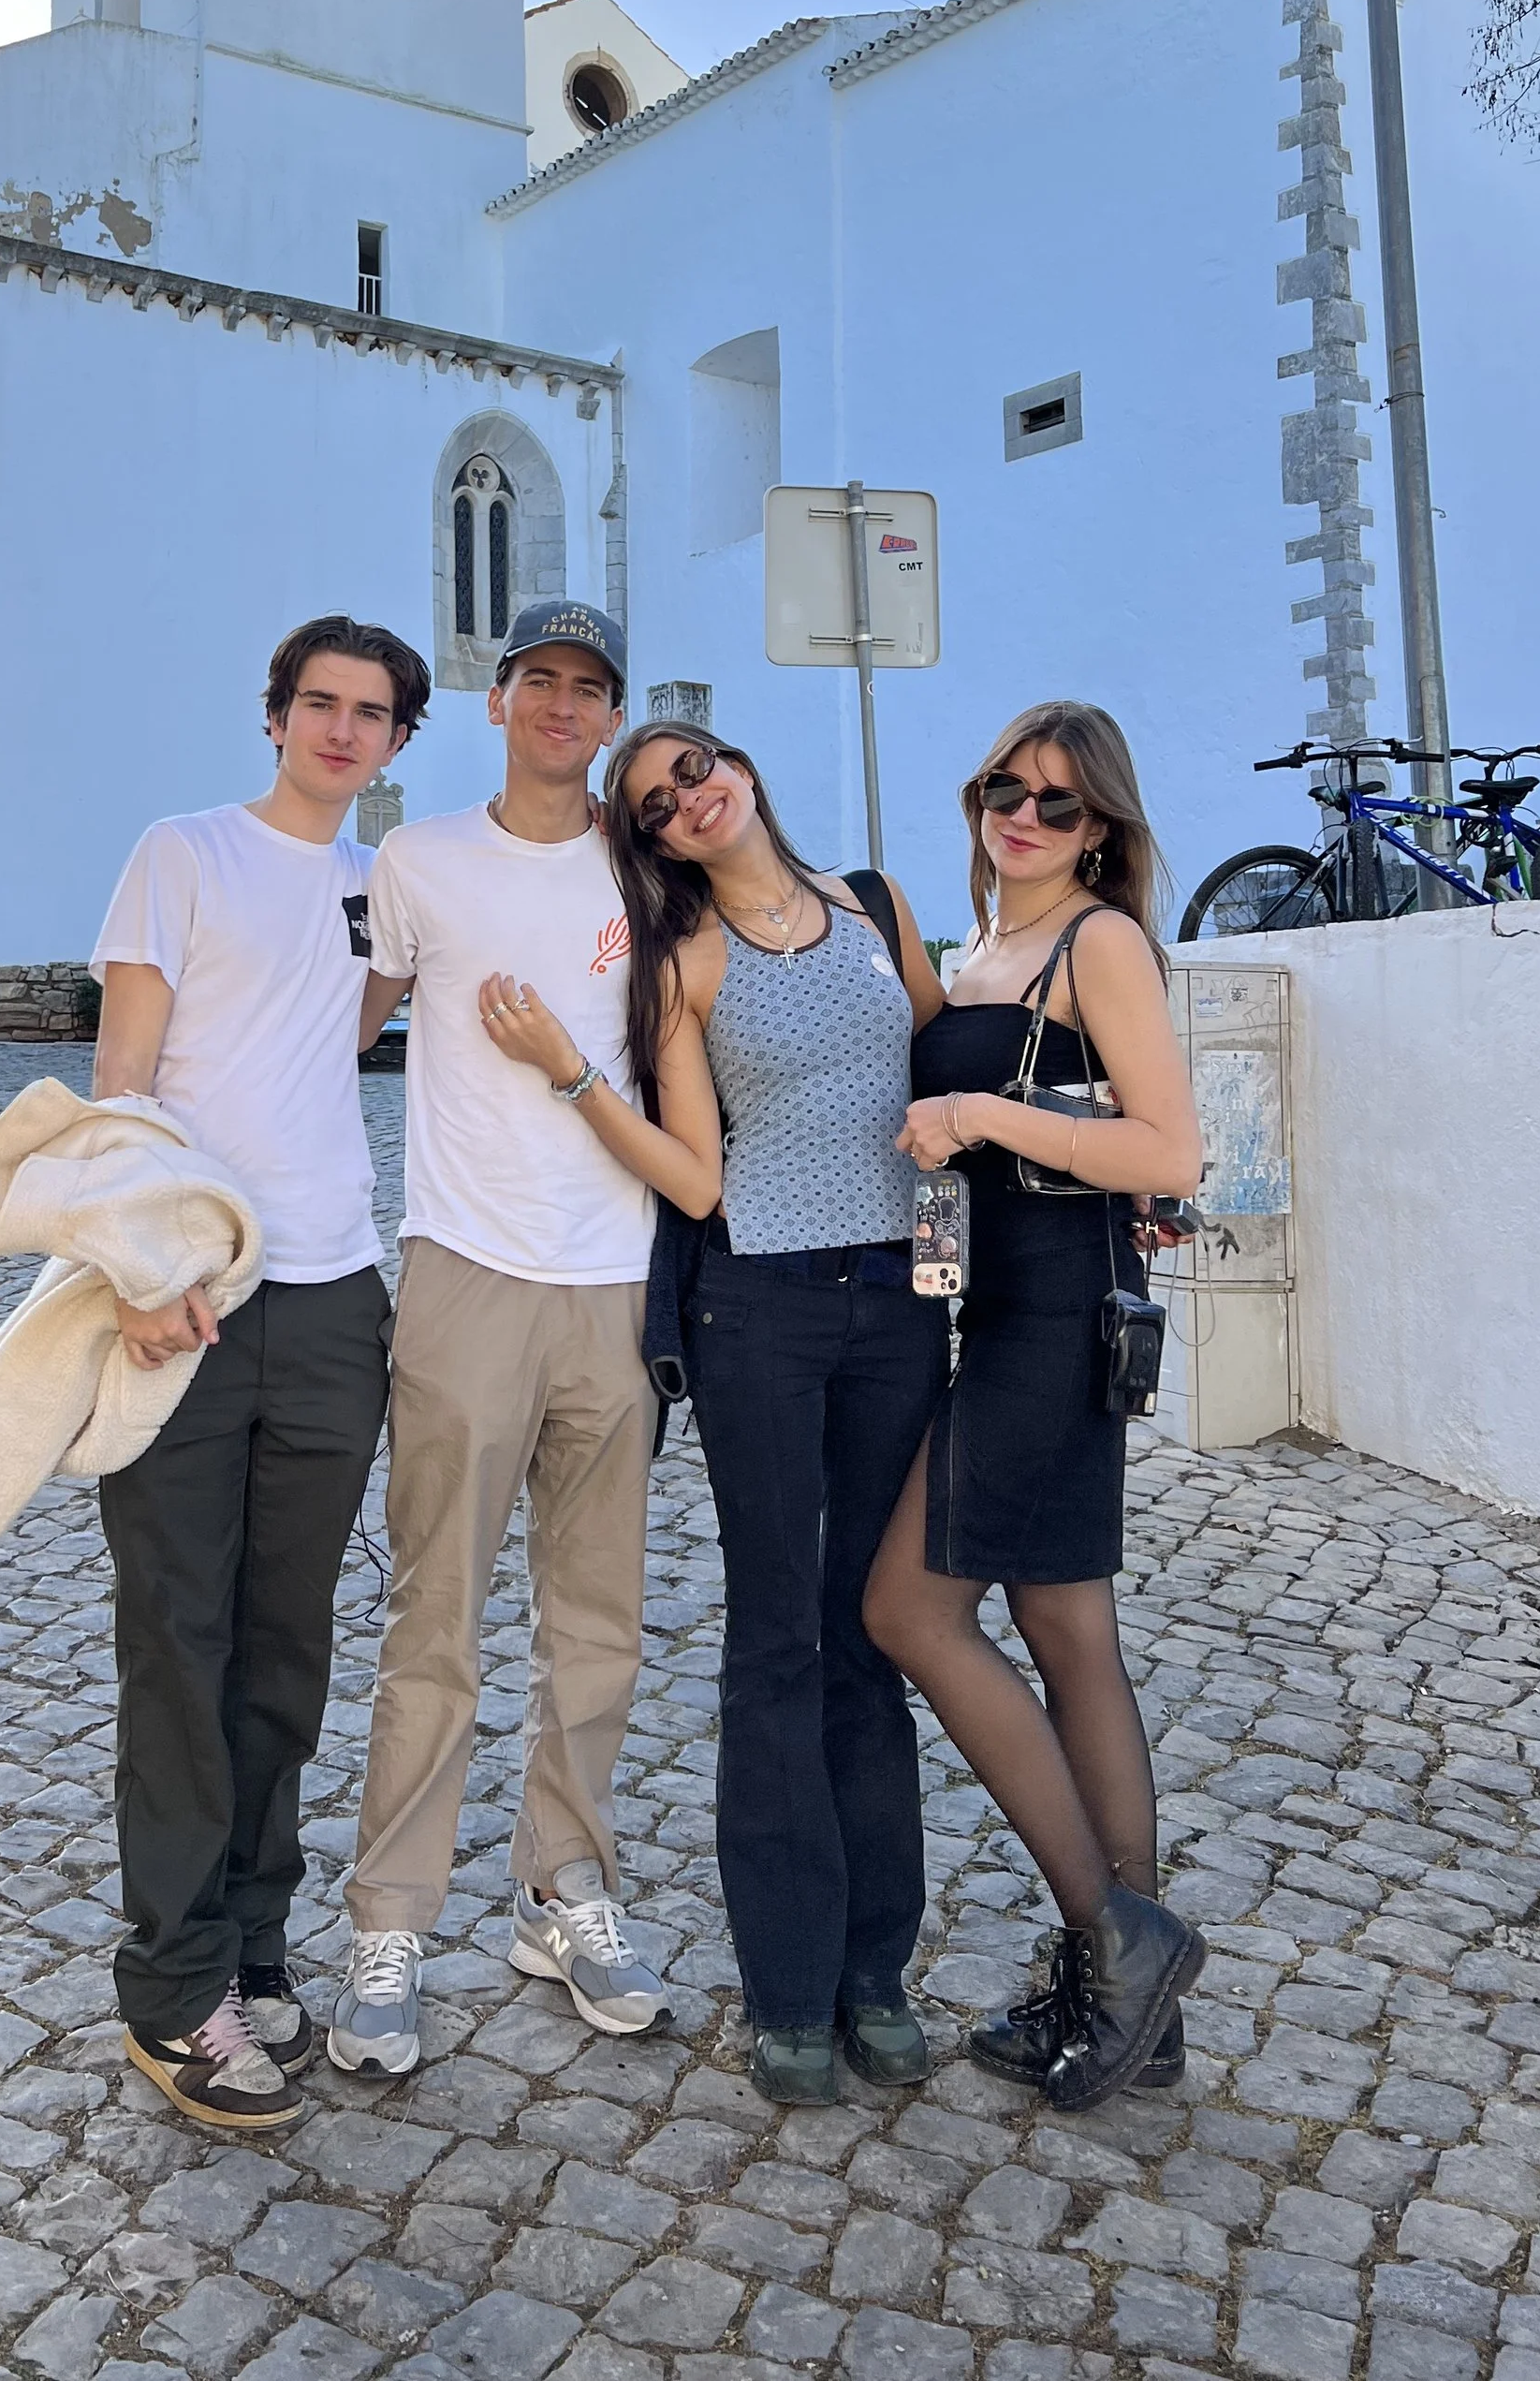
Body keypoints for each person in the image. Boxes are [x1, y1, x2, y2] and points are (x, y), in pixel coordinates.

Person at [490, 718, 954, 2102]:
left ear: (741, 766)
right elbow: (696, 1182)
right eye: (655, 803)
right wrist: (573, 1076)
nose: (689, 799)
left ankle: (879, 1969)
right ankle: (790, 1985)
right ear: (647, 842)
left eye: (696, 769)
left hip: (902, 1305)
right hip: (761, 1312)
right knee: (777, 1641)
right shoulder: (685, 958)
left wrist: (964, 1263)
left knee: (873, 1636)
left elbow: (933, 1073)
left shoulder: (878, 908)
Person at [88, 611, 430, 2130]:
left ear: (400, 741)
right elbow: (121, 1087)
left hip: (337, 1297)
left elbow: (351, 1037)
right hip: (193, 1299)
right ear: (276, 716)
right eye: (320, 705)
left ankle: (255, 1945)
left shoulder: (386, 891)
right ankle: (172, 1994)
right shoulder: (184, 855)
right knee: (180, 1639)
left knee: (287, 1651)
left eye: (373, 714)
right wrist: (143, 1267)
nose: (344, 731)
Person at [327, 601, 674, 2075]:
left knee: (596, 1625)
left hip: (621, 1279)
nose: (560, 705)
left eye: (588, 689)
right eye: (539, 679)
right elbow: (336, 1028)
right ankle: (391, 1925)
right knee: (437, 1622)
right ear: (498, 699)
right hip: (464, 1271)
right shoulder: (421, 863)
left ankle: (564, 1889)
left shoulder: (652, 869)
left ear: (611, 718)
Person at [862, 700, 1206, 2112]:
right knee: (1067, 1627)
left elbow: (1168, 1142)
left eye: (1060, 804)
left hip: (1058, 1323)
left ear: (1102, 829)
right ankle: (1136, 2017)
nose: (1026, 814)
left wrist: (990, 1118)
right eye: (1008, 787)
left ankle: (1119, 1941)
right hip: (993, 1315)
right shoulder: (984, 949)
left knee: (910, 1612)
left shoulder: (1096, 943)